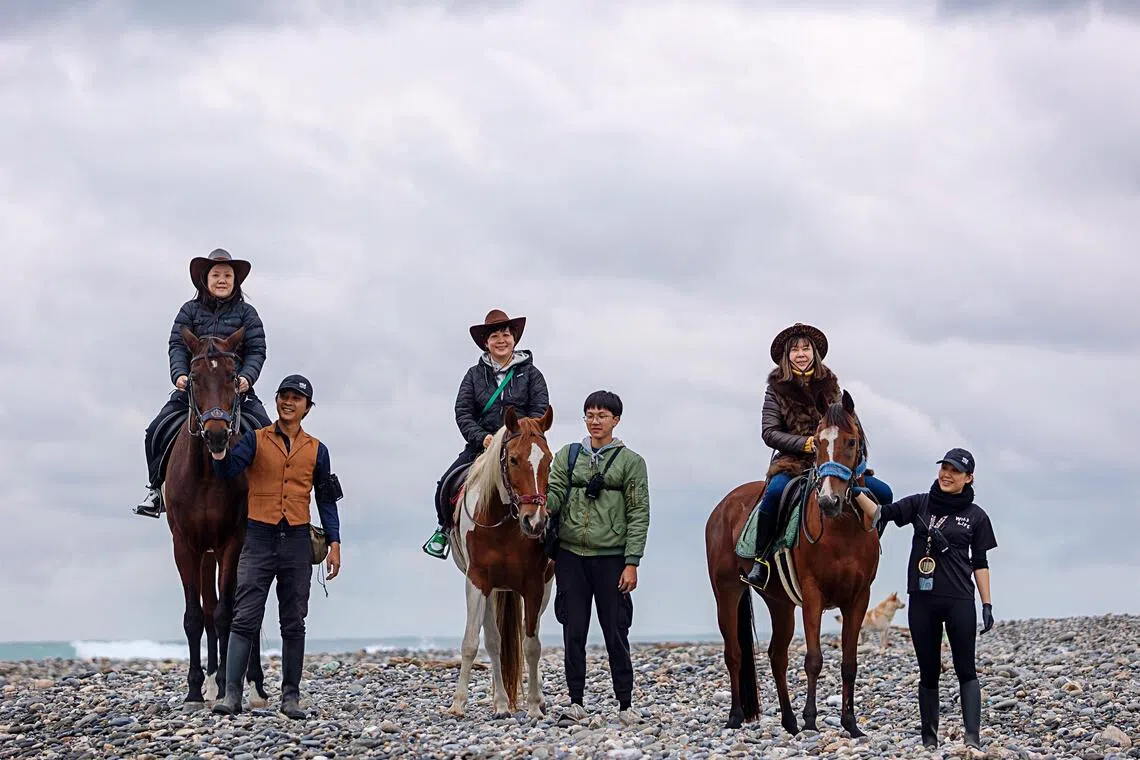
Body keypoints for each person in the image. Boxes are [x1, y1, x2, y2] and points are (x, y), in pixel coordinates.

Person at [210, 374, 343, 719]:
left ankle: (291, 697)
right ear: (276, 401)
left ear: (307, 408)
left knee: (294, 622)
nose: (288, 402)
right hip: (258, 538)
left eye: (296, 398)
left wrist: (335, 542)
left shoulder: (318, 449)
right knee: (244, 618)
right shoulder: (255, 440)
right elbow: (227, 471)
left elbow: (327, 499)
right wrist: (219, 448)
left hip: (297, 540)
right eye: (284, 396)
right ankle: (231, 695)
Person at [744, 322, 893, 589]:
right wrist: (806, 444)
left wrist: (853, 462)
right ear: (786, 356)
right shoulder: (776, 389)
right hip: (793, 462)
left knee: (884, 493)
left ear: (814, 352)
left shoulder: (832, 386)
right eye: (794, 350)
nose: (801, 354)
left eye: (805, 348)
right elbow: (769, 433)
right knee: (775, 493)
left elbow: (851, 426)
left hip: (834, 464)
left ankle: (868, 549)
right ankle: (761, 559)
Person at [866, 448, 997, 750]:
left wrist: (987, 603)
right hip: (922, 601)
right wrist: (853, 488)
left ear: (968, 478)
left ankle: (972, 738)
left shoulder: (976, 517)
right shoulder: (920, 504)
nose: (946, 474)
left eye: (954, 471)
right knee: (928, 670)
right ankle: (929, 740)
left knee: (966, 668)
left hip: (960, 600)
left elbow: (980, 563)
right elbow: (880, 514)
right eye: (944, 468)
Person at [133, 248, 272, 518]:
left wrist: (246, 378)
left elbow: (257, 349)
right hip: (194, 391)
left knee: (267, 434)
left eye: (227, 275)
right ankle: (155, 490)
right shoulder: (189, 311)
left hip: (234, 392)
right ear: (205, 280)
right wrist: (179, 374)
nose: (222, 280)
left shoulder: (247, 314)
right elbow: (176, 344)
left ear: (235, 281)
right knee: (155, 431)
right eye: (216, 275)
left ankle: (265, 495)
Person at [545, 390, 650, 726]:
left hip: (612, 559)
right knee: (572, 630)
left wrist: (632, 561)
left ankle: (625, 704)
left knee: (616, 632)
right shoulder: (567, 455)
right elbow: (555, 492)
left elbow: (638, 513)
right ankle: (575, 702)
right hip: (570, 556)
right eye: (589, 414)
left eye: (602, 415)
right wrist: (543, 506)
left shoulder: (632, 462)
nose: (595, 420)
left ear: (615, 420)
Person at [422, 309, 550, 558]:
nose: (501, 340)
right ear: (486, 342)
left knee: (551, 482)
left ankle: (554, 532)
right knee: (446, 483)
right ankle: (443, 530)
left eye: (506, 334)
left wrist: (517, 436)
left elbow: (539, 410)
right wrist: (482, 437)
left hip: (521, 446)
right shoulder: (473, 375)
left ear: (514, 339)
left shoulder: (532, 375)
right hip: (482, 445)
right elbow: (463, 412)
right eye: (495, 336)